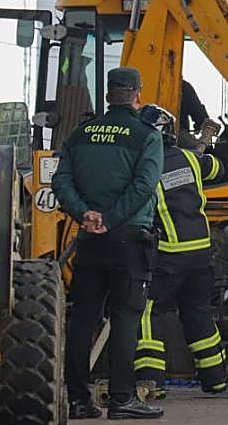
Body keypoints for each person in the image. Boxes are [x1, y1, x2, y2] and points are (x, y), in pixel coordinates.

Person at [52, 66, 165, 420]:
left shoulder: (80, 133)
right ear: (137, 94)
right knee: (126, 317)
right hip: (128, 238)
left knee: (83, 318)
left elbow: (61, 181)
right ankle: (121, 399)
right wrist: (112, 219)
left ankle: (77, 399)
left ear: (107, 95)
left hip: (89, 240)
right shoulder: (146, 135)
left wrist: (85, 214)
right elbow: (144, 185)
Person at [134, 104, 228, 396]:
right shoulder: (190, 158)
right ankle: (216, 379)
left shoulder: (147, 166)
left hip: (169, 254)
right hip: (200, 252)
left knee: (149, 311)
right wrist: (197, 155)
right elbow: (217, 168)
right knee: (198, 311)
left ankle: (151, 382)